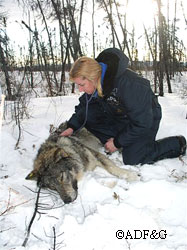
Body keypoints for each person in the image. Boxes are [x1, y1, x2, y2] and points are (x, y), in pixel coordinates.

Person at [60, 48, 186, 165]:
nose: (80, 89)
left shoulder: (130, 85)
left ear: (92, 78)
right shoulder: (95, 85)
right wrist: (72, 126)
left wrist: (117, 142)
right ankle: (123, 140)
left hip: (146, 118)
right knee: (88, 116)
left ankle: (178, 143)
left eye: (82, 84)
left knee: (133, 158)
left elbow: (143, 122)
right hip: (120, 115)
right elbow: (84, 107)